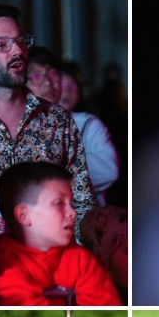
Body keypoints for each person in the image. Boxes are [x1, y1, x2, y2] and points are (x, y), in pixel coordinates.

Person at [0, 4, 93, 236]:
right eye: (2, 44)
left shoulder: (56, 120)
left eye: (21, 41)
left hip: (49, 253)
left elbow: (81, 200)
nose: (17, 51)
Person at [0, 162, 120, 306]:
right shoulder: (1, 261)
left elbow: (107, 312)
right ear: (24, 216)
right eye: (59, 203)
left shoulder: (79, 258)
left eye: (71, 203)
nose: (73, 212)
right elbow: (30, 316)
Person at [25, 47, 119, 207]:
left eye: (52, 74)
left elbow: (109, 170)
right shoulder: (14, 126)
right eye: (36, 76)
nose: (47, 82)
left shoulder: (86, 124)